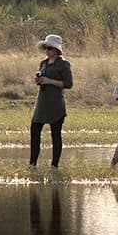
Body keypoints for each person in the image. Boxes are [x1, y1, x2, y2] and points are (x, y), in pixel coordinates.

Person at [32, 34, 72, 171]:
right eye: (45, 48)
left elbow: (68, 83)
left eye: (49, 48)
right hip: (42, 102)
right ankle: (32, 165)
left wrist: (49, 81)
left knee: (56, 134)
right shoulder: (43, 63)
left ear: (56, 50)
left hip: (55, 103)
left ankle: (54, 165)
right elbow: (42, 78)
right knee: (35, 130)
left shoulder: (63, 64)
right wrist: (39, 80)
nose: (47, 51)